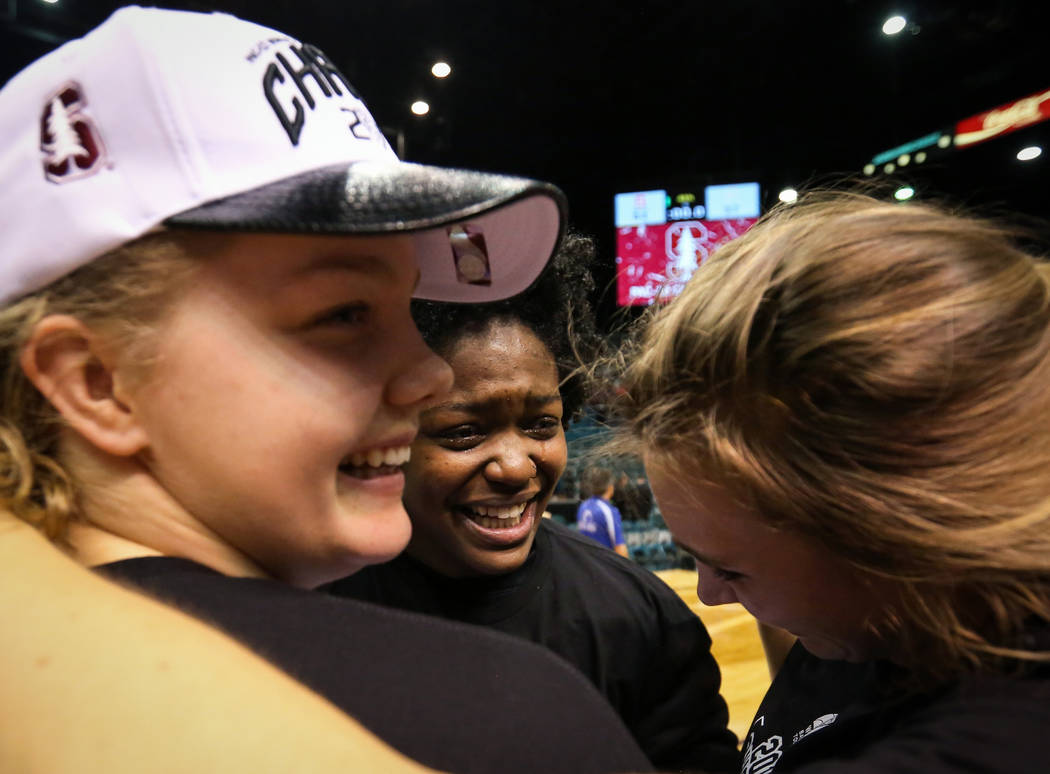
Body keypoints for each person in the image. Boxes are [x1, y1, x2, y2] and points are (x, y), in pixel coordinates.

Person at [0, 8, 653, 774]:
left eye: (406, 307)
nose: (431, 374)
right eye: (344, 315)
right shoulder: (494, 714)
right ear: (97, 383)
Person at [608, 190, 1050, 773]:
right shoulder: (876, 619)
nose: (711, 594)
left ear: (900, 538)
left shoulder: (988, 744)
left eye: (732, 568)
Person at [328, 236, 741, 773]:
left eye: (541, 424)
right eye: (464, 432)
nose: (518, 466)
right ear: (383, 435)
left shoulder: (639, 617)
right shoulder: (301, 604)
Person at [577, 465, 630, 556]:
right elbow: (619, 547)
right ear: (610, 487)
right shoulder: (608, 511)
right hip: (604, 563)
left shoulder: (583, 506)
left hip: (586, 560)